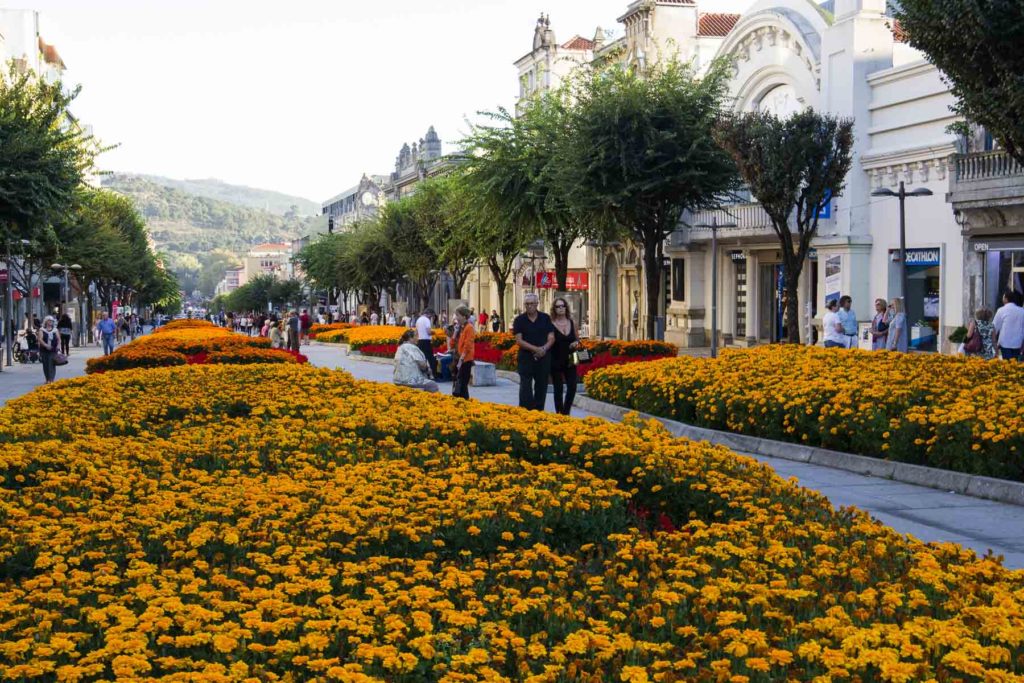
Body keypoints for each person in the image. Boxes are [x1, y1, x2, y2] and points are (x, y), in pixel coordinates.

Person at [513, 292, 556, 411]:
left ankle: (538, 411)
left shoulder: (545, 318)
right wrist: (535, 349)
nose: (529, 306)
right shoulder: (519, 320)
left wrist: (543, 349)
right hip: (526, 358)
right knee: (525, 387)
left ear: (537, 304)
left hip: (543, 357)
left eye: (532, 303)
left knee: (541, 386)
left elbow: (551, 337)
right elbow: (519, 340)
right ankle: (525, 411)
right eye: (527, 304)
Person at [549, 297, 580, 416]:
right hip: (556, 358)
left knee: (572, 386)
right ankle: (559, 413)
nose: (561, 308)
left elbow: (578, 340)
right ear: (554, 309)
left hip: (572, 358)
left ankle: (566, 412)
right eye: (558, 306)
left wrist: (575, 344)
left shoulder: (572, 322)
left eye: (563, 306)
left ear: (566, 308)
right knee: (558, 388)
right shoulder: (551, 324)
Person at [992, 290, 1024, 361]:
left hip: (1005, 342)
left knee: (1006, 365)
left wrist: (994, 342)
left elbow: (995, 327)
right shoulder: (1022, 311)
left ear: (1006, 299)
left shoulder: (1001, 310)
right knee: (1015, 364)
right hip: (1018, 342)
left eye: (1003, 297)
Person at [453, 305, 476, 400]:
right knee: (460, 383)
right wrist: (455, 332)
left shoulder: (469, 327)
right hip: (460, 358)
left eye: (457, 315)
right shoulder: (462, 328)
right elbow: (453, 342)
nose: (456, 318)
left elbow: (468, 344)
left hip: (465, 359)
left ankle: (464, 403)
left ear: (464, 316)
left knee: (463, 385)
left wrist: (461, 358)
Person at [37, 316, 60, 384]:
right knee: (46, 365)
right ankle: (47, 379)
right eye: (49, 321)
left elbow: (59, 339)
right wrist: (46, 345)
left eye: (52, 321)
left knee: (52, 364)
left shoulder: (55, 330)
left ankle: (51, 379)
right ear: (46, 321)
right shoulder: (42, 330)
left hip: (53, 349)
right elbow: (40, 339)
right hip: (44, 350)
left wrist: (58, 345)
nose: (51, 322)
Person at [415, 308, 438, 378]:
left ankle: (421, 374)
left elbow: (416, 332)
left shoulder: (418, 320)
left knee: (422, 358)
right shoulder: (427, 320)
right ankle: (433, 374)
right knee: (430, 358)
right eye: (431, 316)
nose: (431, 317)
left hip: (420, 341)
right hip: (426, 341)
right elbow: (428, 332)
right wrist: (434, 332)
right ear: (429, 314)